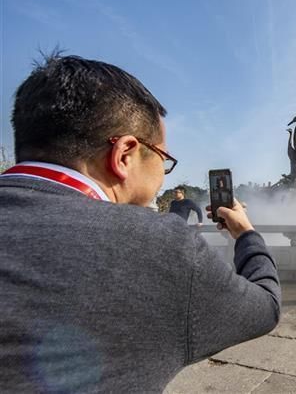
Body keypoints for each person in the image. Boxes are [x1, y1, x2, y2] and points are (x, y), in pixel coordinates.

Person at [0, 54, 280, 392]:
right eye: (164, 159)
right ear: (125, 155)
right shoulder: (161, 248)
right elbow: (265, 306)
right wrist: (245, 232)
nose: (163, 176)